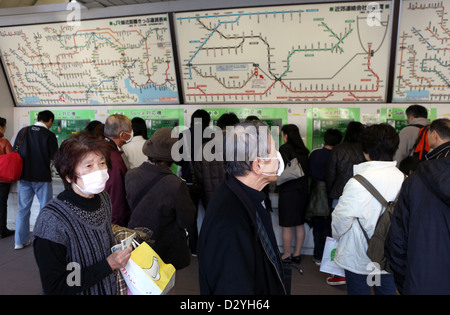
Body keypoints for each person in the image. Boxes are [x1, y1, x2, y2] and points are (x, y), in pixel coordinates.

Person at [33, 132, 131, 295]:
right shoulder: (51, 221)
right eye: (88, 166)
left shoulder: (103, 198)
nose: (99, 171)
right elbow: (55, 286)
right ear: (68, 176)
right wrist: (108, 265)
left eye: (102, 163)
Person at [198, 121, 286, 295]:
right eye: (274, 150)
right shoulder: (230, 223)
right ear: (258, 165)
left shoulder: (236, 193)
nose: (278, 156)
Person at [331, 123, 404, 295]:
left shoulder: (357, 182)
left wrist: (336, 236)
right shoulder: (405, 179)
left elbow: (341, 219)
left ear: (366, 152)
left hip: (359, 253)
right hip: (388, 254)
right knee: (384, 289)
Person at [385, 119, 450, 295]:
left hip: (421, 281)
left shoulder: (416, 178)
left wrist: (405, 281)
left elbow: (397, 239)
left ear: (434, 135)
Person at [126, 128, 196, 270]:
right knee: (166, 286)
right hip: (166, 248)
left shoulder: (131, 175)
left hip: (138, 243)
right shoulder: (176, 184)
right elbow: (186, 220)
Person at [325, 121, 365, 285]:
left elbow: (331, 174)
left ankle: (339, 273)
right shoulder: (365, 150)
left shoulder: (339, 149)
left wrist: (330, 193)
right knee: (359, 236)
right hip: (363, 198)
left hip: (339, 195)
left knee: (338, 235)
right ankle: (359, 271)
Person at [13, 110, 58, 250]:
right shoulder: (49, 135)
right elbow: (55, 157)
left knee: (23, 210)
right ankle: (42, 241)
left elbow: (15, 151)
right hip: (42, 177)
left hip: (24, 177)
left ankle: (19, 241)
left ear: (37, 118)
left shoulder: (23, 131)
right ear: (50, 120)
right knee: (46, 210)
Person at [306, 128, 342, 265]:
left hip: (315, 193)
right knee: (329, 228)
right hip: (331, 194)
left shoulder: (315, 154)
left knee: (317, 227)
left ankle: (317, 256)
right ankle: (328, 259)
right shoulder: (338, 155)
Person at [178, 109, 211, 255]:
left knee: (191, 217)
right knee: (211, 214)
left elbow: (178, 159)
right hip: (208, 182)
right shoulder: (211, 136)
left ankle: (194, 248)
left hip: (189, 181)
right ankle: (211, 244)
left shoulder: (183, 136)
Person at [277, 124, 309, 264]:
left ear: (286, 136)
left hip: (287, 191)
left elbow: (279, 170)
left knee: (286, 225)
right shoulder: (304, 150)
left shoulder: (284, 149)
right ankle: (297, 254)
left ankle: (287, 254)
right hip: (302, 191)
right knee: (299, 224)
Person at [193, 112, 239, 208]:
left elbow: (198, 181)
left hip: (211, 204)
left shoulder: (203, 149)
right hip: (238, 204)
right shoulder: (243, 148)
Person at [103, 114, 133, 227]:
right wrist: (118, 225)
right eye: (130, 129)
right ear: (122, 134)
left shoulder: (99, 148)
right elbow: (116, 196)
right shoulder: (115, 159)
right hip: (112, 220)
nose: (131, 132)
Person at [0, 117, 14, 238]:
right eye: (5, 127)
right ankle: (2, 230)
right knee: (1, 203)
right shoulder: (4, 142)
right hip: (2, 178)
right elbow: (11, 159)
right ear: (0, 127)